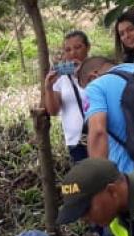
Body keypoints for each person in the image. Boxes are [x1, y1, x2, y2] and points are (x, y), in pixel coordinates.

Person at [42, 30, 91, 162]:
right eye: (68, 50)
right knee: (85, 180)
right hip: (76, 141)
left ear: (88, 48)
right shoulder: (61, 78)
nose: (73, 53)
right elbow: (53, 111)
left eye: (78, 47)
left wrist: (84, 74)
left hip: (101, 135)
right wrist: (49, 87)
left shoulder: (98, 71)